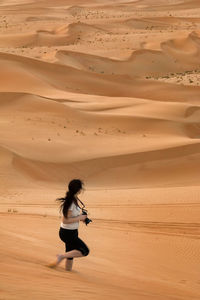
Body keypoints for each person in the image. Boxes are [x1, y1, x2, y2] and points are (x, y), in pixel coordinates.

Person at [47, 179, 90, 271]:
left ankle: (68, 273)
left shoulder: (73, 199)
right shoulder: (70, 202)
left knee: (70, 256)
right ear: (78, 189)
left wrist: (82, 218)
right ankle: (61, 256)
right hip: (67, 233)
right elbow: (65, 220)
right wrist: (80, 218)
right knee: (85, 251)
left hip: (72, 232)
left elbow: (71, 217)